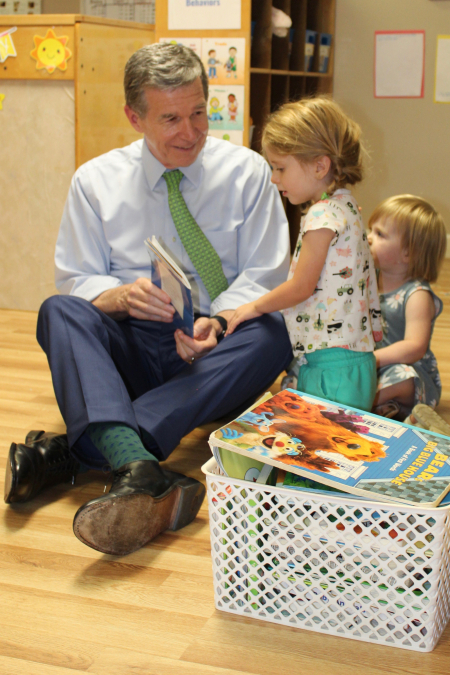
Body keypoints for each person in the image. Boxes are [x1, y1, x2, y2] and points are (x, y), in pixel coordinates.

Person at [4, 43, 293, 556]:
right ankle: (140, 467)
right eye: (171, 119)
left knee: (272, 334)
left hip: (215, 356)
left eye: (199, 112)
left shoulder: (247, 173)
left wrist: (221, 323)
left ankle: (86, 451)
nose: (191, 132)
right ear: (133, 117)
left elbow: (268, 274)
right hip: (134, 346)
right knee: (59, 311)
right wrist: (116, 296)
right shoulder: (94, 182)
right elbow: (75, 277)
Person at [226, 96, 382, 411]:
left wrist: (252, 307)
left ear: (319, 165)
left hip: (331, 365)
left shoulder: (322, 216)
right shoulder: (346, 204)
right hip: (351, 359)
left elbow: (301, 286)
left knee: (322, 454)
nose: (273, 177)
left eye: (280, 167)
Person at [367, 195, 447, 423]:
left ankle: (360, 403)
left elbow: (415, 347)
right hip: (372, 365)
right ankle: (385, 408)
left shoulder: (417, 295)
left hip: (406, 370)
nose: (369, 238)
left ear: (408, 253)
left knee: (404, 378)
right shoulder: (369, 279)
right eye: (370, 230)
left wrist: (371, 359)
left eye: (380, 234)